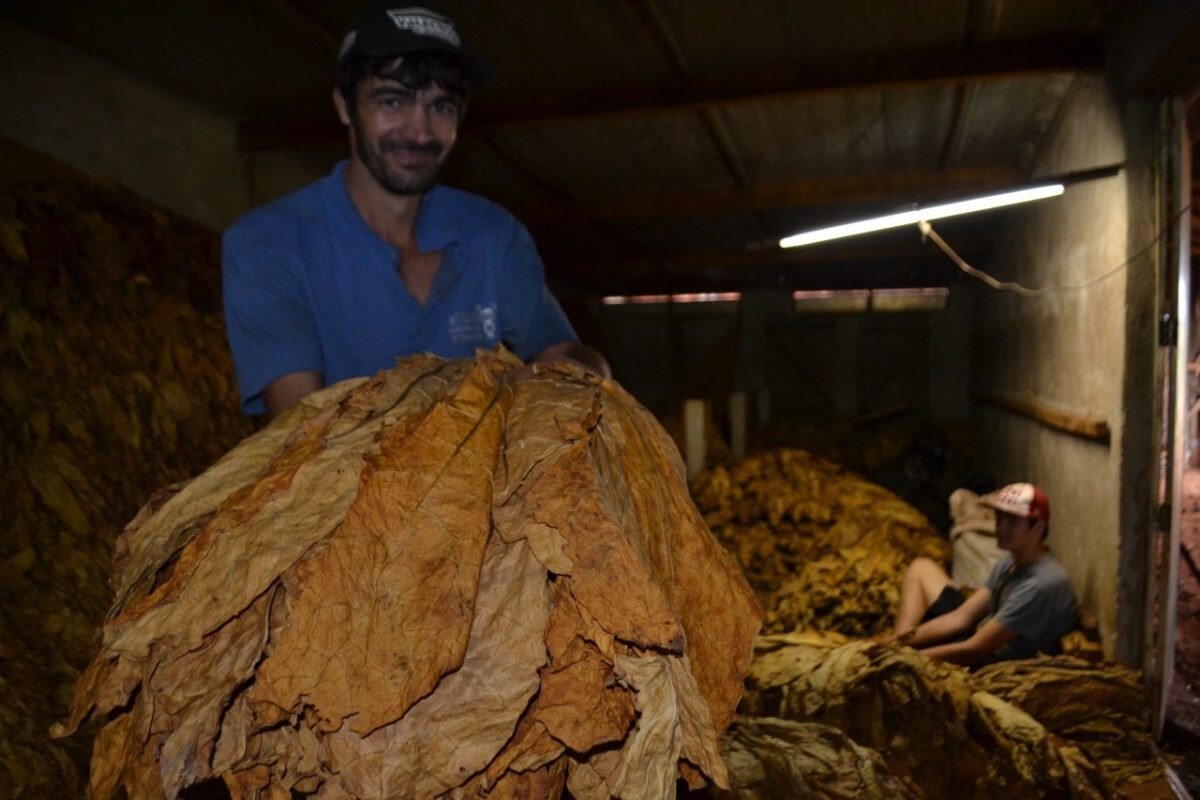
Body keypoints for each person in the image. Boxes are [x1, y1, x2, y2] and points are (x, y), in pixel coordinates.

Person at [222, 4, 607, 417]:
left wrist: (574, 371)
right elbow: (304, 434)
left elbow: (574, 355)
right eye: (392, 101)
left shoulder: (494, 234)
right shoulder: (268, 243)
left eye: (441, 107)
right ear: (343, 105)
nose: (420, 132)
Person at [881, 482, 1078, 665]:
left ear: (1038, 527)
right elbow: (961, 618)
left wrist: (903, 658)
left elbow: (975, 649)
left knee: (897, 660)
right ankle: (898, 641)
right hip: (979, 631)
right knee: (921, 568)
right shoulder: (1011, 560)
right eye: (999, 518)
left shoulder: (1040, 584)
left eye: (1013, 522)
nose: (1001, 528)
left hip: (991, 657)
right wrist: (895, 643)